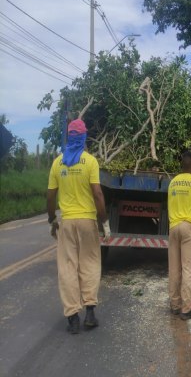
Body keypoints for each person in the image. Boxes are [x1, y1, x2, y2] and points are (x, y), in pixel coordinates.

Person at [47, 119, 108, 334]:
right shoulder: (90, 161)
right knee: (90, 264)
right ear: (83, 138)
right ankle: (90, 312)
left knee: (67, 267)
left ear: (68, 137)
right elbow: (98, 194)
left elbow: (51, 195)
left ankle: (73, 317)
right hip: (87, 221)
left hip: (67, 221)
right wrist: (104, 222)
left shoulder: (58, 163)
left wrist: (51, 219)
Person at [167, 150, 191, 320]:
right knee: (188, 268)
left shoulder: (173, 183)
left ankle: (175, 305)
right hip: (188, 227)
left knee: (174, 268)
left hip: (173, 227)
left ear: (181, 164)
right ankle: (186, 308)